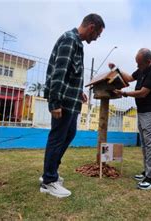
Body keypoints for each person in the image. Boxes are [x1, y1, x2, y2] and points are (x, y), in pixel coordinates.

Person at [40, 13, 105, 198]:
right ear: (91, 27)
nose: (96, 38)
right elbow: (59, 73)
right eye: (97, 34)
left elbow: (70, 73)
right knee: (57, 137)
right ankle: (49, 181)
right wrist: (55, 102)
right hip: (63, 102)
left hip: (71, 100)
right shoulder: (70, 40)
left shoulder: (77, 43)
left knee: (69, 134)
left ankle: (50, 172)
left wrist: (78, 92)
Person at [110, 48, 151, 190]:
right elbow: (129, 78)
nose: (137, 67)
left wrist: (124, 93)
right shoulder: (143, 69)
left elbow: (143, 93)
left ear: (148, 61)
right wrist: (117, 70)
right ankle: (147, 171)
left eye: (139, 64)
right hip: (142, 112)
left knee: (150, 145)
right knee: (145, 144)